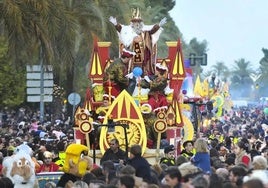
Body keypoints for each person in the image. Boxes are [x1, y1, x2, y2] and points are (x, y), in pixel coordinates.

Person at [109, 8, 167, 76]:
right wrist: (115, 24)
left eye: (138, 23)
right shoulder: (128, 32)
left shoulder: (145, 33)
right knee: (130, 71)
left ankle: (142, 82)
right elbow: (121, 30)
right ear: (132, 24)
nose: (136, 25)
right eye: (135, 23)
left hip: (142, 58)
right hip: (131, 59)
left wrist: (159, 25)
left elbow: (152, 31)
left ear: (141, 24)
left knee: (143, 71)